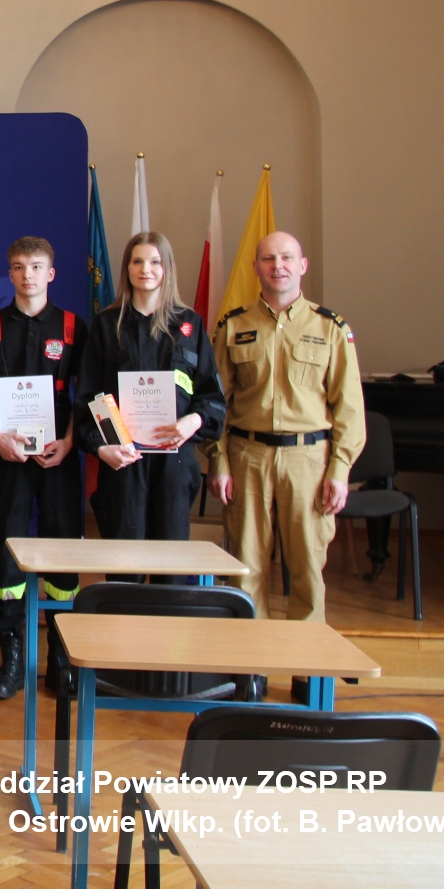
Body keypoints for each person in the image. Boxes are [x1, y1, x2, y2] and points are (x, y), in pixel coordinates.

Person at [208, 231, 365, 625]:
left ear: (302, 266)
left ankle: (306, 661)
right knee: (246, 569)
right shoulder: (232, 326)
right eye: (268, 258)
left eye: (287, 258)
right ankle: (252, 660)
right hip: (248, 458)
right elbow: (215, 404)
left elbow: (349, 409)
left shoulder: (330, 328)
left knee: (308, 570)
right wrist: (218, 461)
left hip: (308, 461)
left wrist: (340, 470)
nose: (278, 266)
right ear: (255, 267)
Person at [0, 236, 86, 700]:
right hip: (7, 457)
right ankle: (12, 658)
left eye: (36, 266)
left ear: (50, 273)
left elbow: (85, 393)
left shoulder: (73, 326)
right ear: (10, 274)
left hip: (58, 457)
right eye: (18, 267)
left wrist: (70, 442)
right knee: (5, 551)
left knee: (63, 553)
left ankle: (61, 657)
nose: (27, 275)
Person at [74, 231, 226, 558]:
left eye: (155, 262)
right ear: (127, 268)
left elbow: (211, 396)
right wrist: (101, 448)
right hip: (123, 463)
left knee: (170, 564)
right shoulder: (106, 326)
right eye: (137, 261)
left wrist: (193, 422)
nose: (146, 269)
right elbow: (88, 398)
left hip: (174, 463)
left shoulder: (190, 326)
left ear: (167, 268)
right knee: (125, 563)